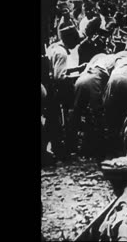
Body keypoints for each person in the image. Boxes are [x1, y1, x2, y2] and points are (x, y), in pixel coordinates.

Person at [67, 53, 117, 156]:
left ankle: (71, 145)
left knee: (76, 112)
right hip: (94, 81)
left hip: (81, 79)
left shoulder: (98, 57)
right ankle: (98, 147)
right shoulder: (116, 60)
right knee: (97, 114)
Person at [44, 22, 81, 159]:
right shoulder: (62, 54)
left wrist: (77, 69)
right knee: (55, 122)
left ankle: (54, 149)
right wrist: (77, 76)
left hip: (48, 87)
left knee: (51, 121)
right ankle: (59, 152)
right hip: (54, 91)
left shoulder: (54, 48)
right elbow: (60, 77)